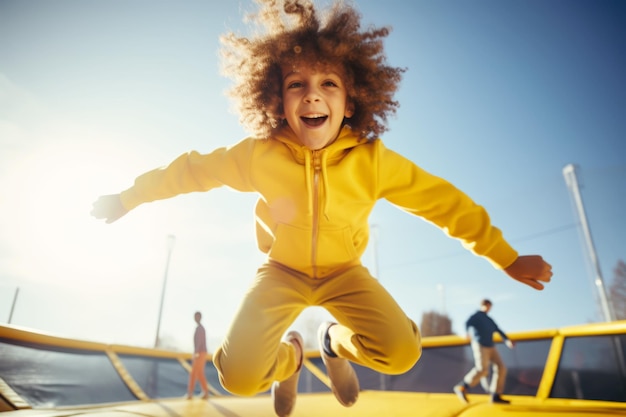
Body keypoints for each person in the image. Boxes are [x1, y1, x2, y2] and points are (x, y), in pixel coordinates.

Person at [91, 1, 553, 416]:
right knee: (239, 375)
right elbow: (190, 172)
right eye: (297, 85)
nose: (312, 94)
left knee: (400, 351)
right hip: (281, 271)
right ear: (278, 101)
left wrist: (504, 255)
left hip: (344, 273)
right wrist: (129, 198)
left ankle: (332, 342)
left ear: (351, 102)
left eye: (328, 83)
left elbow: (442, 203)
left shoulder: (373, 162)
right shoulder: (259, 156)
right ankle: (292, 355)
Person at [454, 299, 515, 404]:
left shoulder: (489, 319)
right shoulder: (477, 316)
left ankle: (495, 395)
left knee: (501, 368)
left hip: (491, 346)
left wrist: (507, 340)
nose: (489, 308)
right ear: (484, 305)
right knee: (482, 369)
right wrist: (467, 333)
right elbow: (467, 323)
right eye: (487, 306)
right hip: (480, 344)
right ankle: (462, 386)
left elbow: (498, 329)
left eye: (490, 306)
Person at [187, 311, 210, 400]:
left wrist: (196, 352)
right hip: (201, 352)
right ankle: (206, 392)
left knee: (194, 373)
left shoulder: (200, 328)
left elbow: (199, 341)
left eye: (196, 317)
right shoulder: (199, 328)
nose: (195, 318)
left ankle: (190, 393)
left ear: (199, 317)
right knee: (200, 373)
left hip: (200, 353)